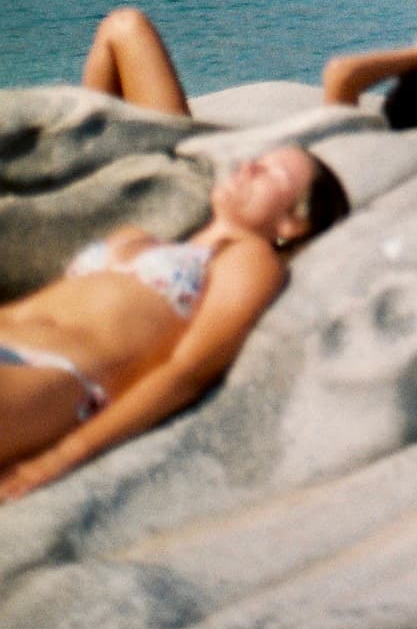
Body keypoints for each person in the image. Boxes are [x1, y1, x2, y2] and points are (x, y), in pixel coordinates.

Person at [0, 141, 348, 501]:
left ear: (293, 223)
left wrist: (65, 454)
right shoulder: (134, 237)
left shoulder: (248, 259)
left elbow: (188, 371)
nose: (248, 167)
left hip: (54, 374)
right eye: (256, 159)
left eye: (272, 173)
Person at [83, 6, 417, 134]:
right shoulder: (376, 159)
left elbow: (343, 74)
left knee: (124, 25)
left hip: (188, 163)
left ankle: (73, 139)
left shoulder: (357, 139)